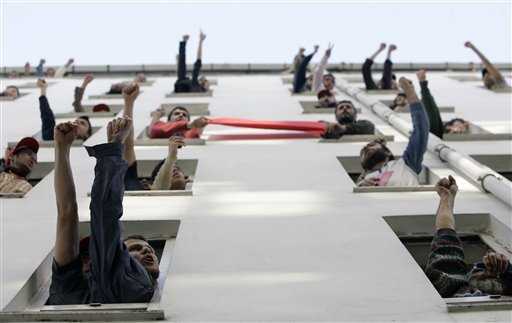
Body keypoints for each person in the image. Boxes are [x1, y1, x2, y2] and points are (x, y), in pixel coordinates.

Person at [46, 118, 158, 305]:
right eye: (135, 249)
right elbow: (76, 214)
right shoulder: (127, 280)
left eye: (149, 249)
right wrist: (62, 148)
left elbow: (68, 214)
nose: (147, 251)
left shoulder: (67, 290)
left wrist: (62, 149)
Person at [425, 176, 512, 298]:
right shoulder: (447, 282)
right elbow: (446, 232)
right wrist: (446, 198)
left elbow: (445, 233)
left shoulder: (446, 282)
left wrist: (447, 198)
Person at [357, 77, 429, 187]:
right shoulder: (362, 181)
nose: (367, 147)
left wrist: (409, 91)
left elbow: (421, 129)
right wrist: (360, 186)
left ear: (388, 153)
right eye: (365, 151)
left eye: (372, 145)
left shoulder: (407, 164)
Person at [390, 70, 470, 138]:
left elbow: (430, 110)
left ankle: (417, 87)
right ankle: (418, 86)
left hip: (431, 134)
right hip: (426, 133)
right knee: (428, 111)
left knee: (428, 112)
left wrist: (457, 127)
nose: (458, 127)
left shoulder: (443, 128)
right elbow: (430, 109)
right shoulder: (398, 109)